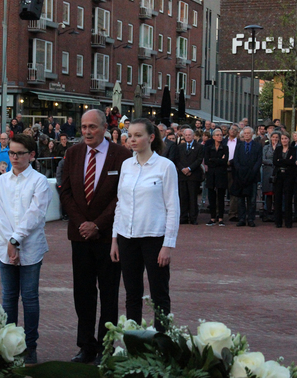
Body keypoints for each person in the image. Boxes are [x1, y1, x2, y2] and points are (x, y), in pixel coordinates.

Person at [60, 109, 131, 365]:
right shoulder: (73, 153)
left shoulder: (122, 155)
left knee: (109, 294)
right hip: (80, 237)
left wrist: (98, 225)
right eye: (83, 127)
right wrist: (82, 224)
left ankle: (106, 347)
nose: (87, 132)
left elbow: (121, 196)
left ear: (104, 128)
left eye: (92, 127)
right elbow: (65, 191)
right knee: (83, 293)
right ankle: (86, 346)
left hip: (108, 238)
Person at [110, 118, 179, 330]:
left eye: (138, 135)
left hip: (154, 238)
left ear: (150, 138)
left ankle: (162, 344)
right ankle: (134, 342)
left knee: (159, 294)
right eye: (129, 135)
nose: (132, 139)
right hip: (127, 238)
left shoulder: (165, 166)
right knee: (132, 294)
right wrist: (115, 239)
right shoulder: (126, 165)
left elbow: (173, 207)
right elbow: (120, 203)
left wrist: (168, 244)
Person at [0, 133, 51, 365]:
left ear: (32, 155)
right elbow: (0, 215)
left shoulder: (39, 181)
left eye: (19, 153)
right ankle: (9, 344)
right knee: (8, 298)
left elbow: (35, 214)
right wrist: (10, 242)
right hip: (5, 246)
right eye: (11, 153)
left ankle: (30, 345)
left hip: (30, 246)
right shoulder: (0, 181)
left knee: (29, 297)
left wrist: (16, 240)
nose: (14, 157)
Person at [232, 127, 262, 227]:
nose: (246, 135)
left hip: (252, 176)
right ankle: (241, 218)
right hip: (240, 176)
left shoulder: (257, 146)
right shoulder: (239, 146)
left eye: (248, 133)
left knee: (252, 199)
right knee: (240, 199)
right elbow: (235, 160)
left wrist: (252, 172)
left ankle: (250, 218)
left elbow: (259, 160)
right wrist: (240, 171)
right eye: (245, 133)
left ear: (252, 134)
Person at [175, 129, 204, 225]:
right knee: (183, 197)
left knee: (193, 197)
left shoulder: (199, 147)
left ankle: (193, 218)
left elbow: (199, 159)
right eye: (186, 135)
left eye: (189, 135)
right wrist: (182, 169)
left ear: (193, 136)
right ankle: (183, 217)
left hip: (193, 175)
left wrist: (190, 169)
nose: (187, 136)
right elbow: (177, 159)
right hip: (182, 175)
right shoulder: (180, 147)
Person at [204, 128, 228, 226]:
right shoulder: (209, 148)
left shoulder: (225, 147)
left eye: (221, 135)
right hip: (211, 175)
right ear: (213, 137)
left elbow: (224, 161)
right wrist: (218, 160)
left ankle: (221, 217)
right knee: (212, 197)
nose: (219, 136)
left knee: (221, 197)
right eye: (217, 135)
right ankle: (213, 217)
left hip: (221, 175)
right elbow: (207, 161)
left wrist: (213, 160)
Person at [273, 132, 297, 228]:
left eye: (286, 138)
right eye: (282, 138)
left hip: (289, 176)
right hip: (279, 175)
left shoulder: (293, 149)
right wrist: (286, 161)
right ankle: (278, 221)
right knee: (277, 198)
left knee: (288, 198)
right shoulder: (278, 149)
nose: (284, 140)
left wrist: (281, 161)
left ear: (289, 139)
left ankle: (288, 221)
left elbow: (292, 162)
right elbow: (275, 161)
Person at [262, 131, 280, 222]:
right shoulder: (266, 147)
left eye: (277, 137)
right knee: (268, 194)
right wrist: (274, 162)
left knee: (277, 193)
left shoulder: (281, 147)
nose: (275, 139)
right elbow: (263, 159)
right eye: (273, 137)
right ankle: (268, 212)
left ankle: (277, 213)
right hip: (268, 171)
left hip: (278, 172)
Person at [226, 126, 240, 222]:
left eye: (235, 129)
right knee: (219, 191)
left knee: (234, 192)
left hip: (234, 169)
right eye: (232, 129)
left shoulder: (240, 143)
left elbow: (239, 156)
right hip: (222, 168)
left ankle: (233, 213)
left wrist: (231, 162)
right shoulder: (223, 141)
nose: (233, 131)